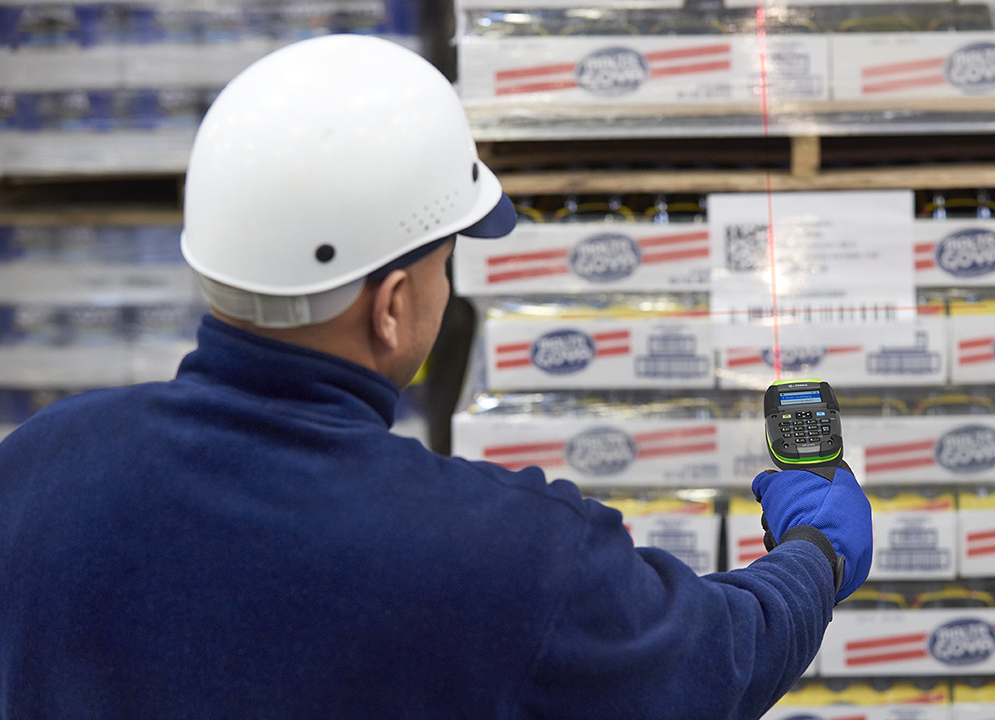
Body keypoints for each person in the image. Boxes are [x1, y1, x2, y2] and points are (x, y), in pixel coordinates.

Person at [0, 35, 872, 719]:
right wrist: (816, 553)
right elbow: (712, 662)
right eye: (443, 262)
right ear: (388, 306)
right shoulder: (507, 553)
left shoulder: (38, 466)